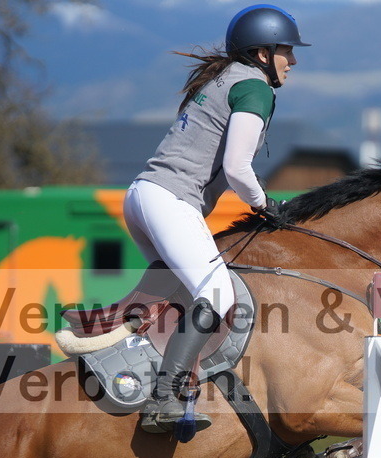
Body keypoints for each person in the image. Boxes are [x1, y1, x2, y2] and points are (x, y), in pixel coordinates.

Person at [124, 4, 309, 434]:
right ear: (263, 54)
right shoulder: (255, 87)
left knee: (180, 299)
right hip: (171, 201)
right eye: (287, 51)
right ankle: (164, 399)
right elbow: (237, 169)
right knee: (217, 295)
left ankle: (141, 373)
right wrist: (265, 204)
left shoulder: (225, 78)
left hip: (142, 196)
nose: (293, 61)